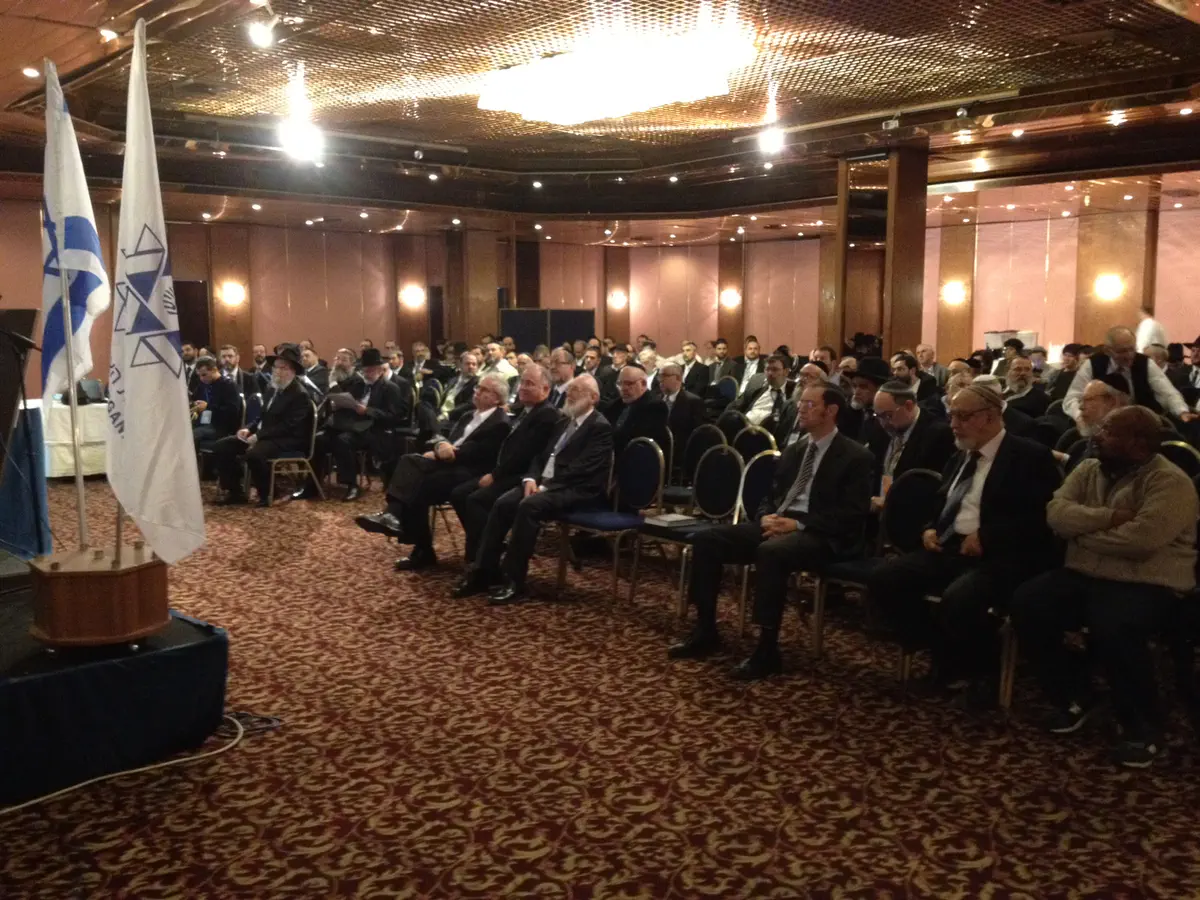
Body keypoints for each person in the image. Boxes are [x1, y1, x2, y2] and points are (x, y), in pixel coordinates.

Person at [1011, 405, 1197, 768]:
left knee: (1114, 624)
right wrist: (1109, 518)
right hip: (1087, 572)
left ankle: (1143, 726)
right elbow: (1056, 513)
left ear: (1138, 443)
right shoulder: (1089, 467)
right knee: (1028, 603)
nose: (1097, 435)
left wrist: (1081, 536)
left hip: (1149, 580)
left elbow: (1141, 540)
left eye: (1109, 431)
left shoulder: (1170, 482)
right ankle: (1076, 693)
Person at [866, 383, 1061, 701]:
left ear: (991, 416)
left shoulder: (1029, 456)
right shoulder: (961, 455)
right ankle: (942, 651)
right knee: (884, 579)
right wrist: (930, 528)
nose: (953, 424)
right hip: (950, 545)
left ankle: (982, 671)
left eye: (963, 416)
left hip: (1001, 554)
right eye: (952, 415)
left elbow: (1040, 517)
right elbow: (942, 501)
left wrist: (987, 536)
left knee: (960, 599)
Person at [669, 385, 873, 678]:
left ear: (831, 411)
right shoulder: (795, 449)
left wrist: (799, 524)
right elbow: (771, 495)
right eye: (801, 402)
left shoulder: (855, 456)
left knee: (771, 552)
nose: (801, 409)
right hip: (780, 522)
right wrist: (765, 516)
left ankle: (767, 649)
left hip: (822, 534)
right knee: (707, 540)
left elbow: (852, 513)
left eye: (810, 404)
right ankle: (705, 629)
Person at [475, 375, 613, 606]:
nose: (569, 393)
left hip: (577, 489)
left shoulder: (599, 427)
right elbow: (541, 456)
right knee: (504, 502)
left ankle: (514, 580)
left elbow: (583, 469)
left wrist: (545, 486)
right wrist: (531, 478)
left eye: (577, 390)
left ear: (593, 398)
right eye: (570, 389)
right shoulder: (563, 421)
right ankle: (483, 571)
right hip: (545, 484)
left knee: (528, 506)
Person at [356, 373, 512, 570]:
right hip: (449, 464)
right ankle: (399, 523)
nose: (477, 392)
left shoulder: (500, 423)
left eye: (483, 389)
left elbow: (477, 453)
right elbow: (444, 437)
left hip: (471, 471)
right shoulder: (468, 416)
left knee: (417, 484)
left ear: (497, 398)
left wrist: (441, 453)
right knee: (409, 462)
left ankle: (411, 536)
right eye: (477, 387)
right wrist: (439, 447)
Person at [449, 366, 562, 583]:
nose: (523, 388)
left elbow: (525, 454)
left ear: (546, 389)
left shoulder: (546, 414)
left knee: (476, 500)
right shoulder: (526, 409)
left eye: (530, 384)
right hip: (507, 470)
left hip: (522, 475)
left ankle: (479, 562)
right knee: (459, 493)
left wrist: (495, 474)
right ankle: (485, 551)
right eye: (522, 382)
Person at [210, 345, 314, 507]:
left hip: (288, 439)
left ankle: (269, 493)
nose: (277, 371)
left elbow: (288, 426)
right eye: (276, 367)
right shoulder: (272, 388)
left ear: (293, 371)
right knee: (221, 446)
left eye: (283, 368)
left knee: (254, 454)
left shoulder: (299, 394)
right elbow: (262, 416)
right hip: (266, 435)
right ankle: (235, 491)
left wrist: (258, 436)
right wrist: (249, 429)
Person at [304, 348, 407, 501]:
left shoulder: (390, 388)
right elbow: (346, 400)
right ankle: (312, 484)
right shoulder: (358, 384)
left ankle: (351, 485)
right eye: (364, 370)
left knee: (343, 441)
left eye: (370, 370)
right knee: (319, 439)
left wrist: (368, 411)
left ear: (380, 370)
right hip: (350, 425)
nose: (367, 374)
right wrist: (339, 404)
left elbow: (394, 416)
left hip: (373, 429)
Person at [1062, 326, 1196, 423]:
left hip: (1141, 426)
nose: (1129, 355)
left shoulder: (1145, 363)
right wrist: (1081, 416)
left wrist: (1182, 412)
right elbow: (1071, 399)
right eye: (1122, 351)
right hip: (1100, 426)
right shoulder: (1092, 364)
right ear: (1107, 350)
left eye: (1132, 349)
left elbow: (1168, 393)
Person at [866, 381, 955, 509]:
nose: (883, 423)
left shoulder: (938, 434)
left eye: (888, 415)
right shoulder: (881, 429)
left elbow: (931, 487)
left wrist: (890, 503)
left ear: (908, 406)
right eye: (878, 416)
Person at [607, 365, 669, 457]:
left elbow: (637, 441)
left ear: (643, 384)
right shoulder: (616, 404)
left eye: (629, 383)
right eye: (619, 383)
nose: (623, 388)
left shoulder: (655, 406)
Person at [417, 351, 480, 437]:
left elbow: (469, 404)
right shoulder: (453, 380)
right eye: (467, 364)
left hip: (454, 418)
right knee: (423, 404)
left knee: (426, 429)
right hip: (439, 413)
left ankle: (433, 433)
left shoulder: (478, 383)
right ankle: (433, 431)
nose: (471, 367)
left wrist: (446, 414)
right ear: (460, 365)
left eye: (474, 364)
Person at [190, 356, 242, 451]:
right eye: (199, 375)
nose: (201, 379)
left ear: (214, 370)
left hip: (222, 427)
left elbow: (232, 412)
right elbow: (193, 399)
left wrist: (208, 407)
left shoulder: (229, 385)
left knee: (191, 435)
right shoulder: (203, 385)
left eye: (204, 375)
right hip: (205, 423)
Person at [659, 363, 706, 462]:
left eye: (664, 376)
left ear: (678, 378)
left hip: (679, 454)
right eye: (659, 376)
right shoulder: (656, 400)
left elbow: (697, 435)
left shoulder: (693, 402)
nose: (660, 380)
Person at [732, 353, 790, 429]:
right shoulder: (756, 383)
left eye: (775, 369)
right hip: (744, 427)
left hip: (769, 432)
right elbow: (738, 404)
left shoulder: (792, 392)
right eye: (767, 369)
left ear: (786, 372)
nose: (770, 373)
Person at [842, 356, 891, 441]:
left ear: (880, 388)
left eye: (863, 387)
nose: (856, 392)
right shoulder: (848, 412)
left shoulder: (889, 418)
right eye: (854, 386)